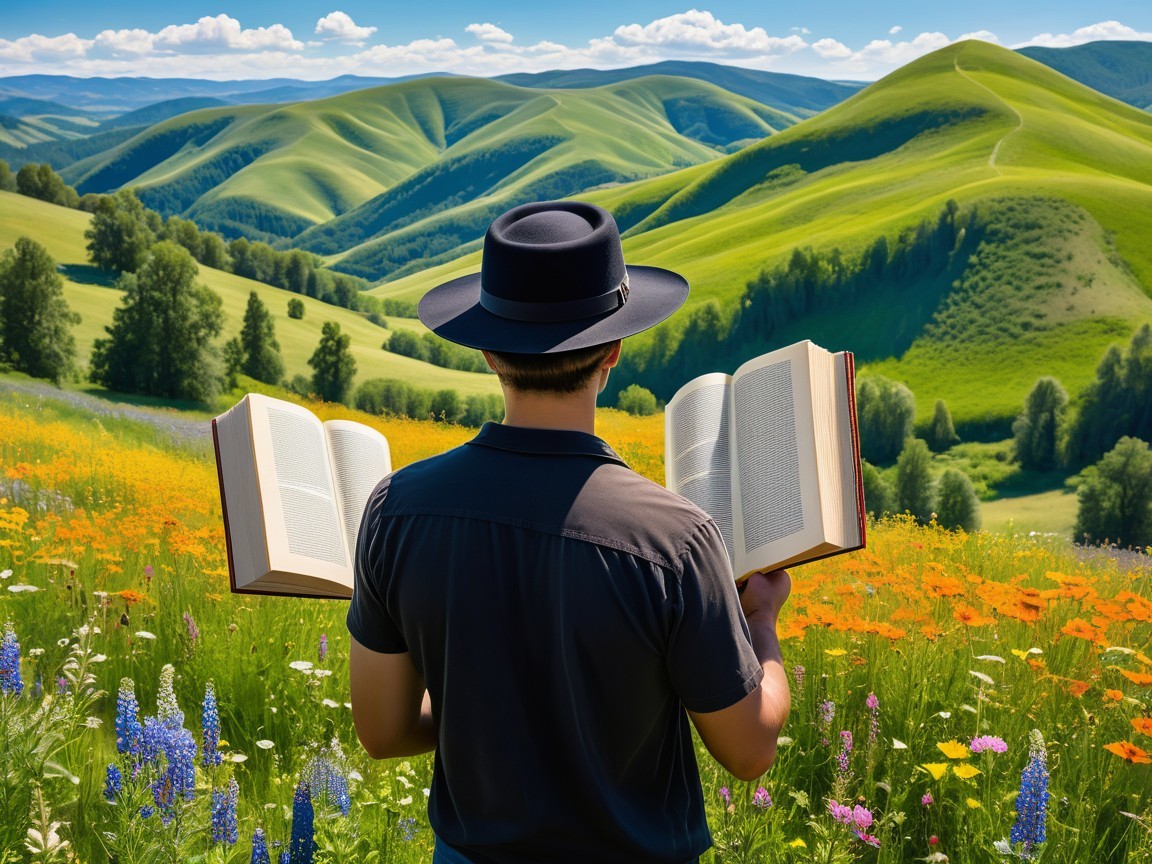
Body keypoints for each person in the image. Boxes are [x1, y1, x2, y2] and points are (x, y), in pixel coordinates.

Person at [346, 200, 791, 864]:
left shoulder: (394, 510)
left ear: (490, 351)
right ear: (613, 348)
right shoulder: (678, 541)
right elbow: (750, 751)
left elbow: (382, 732)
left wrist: (486, 711)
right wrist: (762, 625)